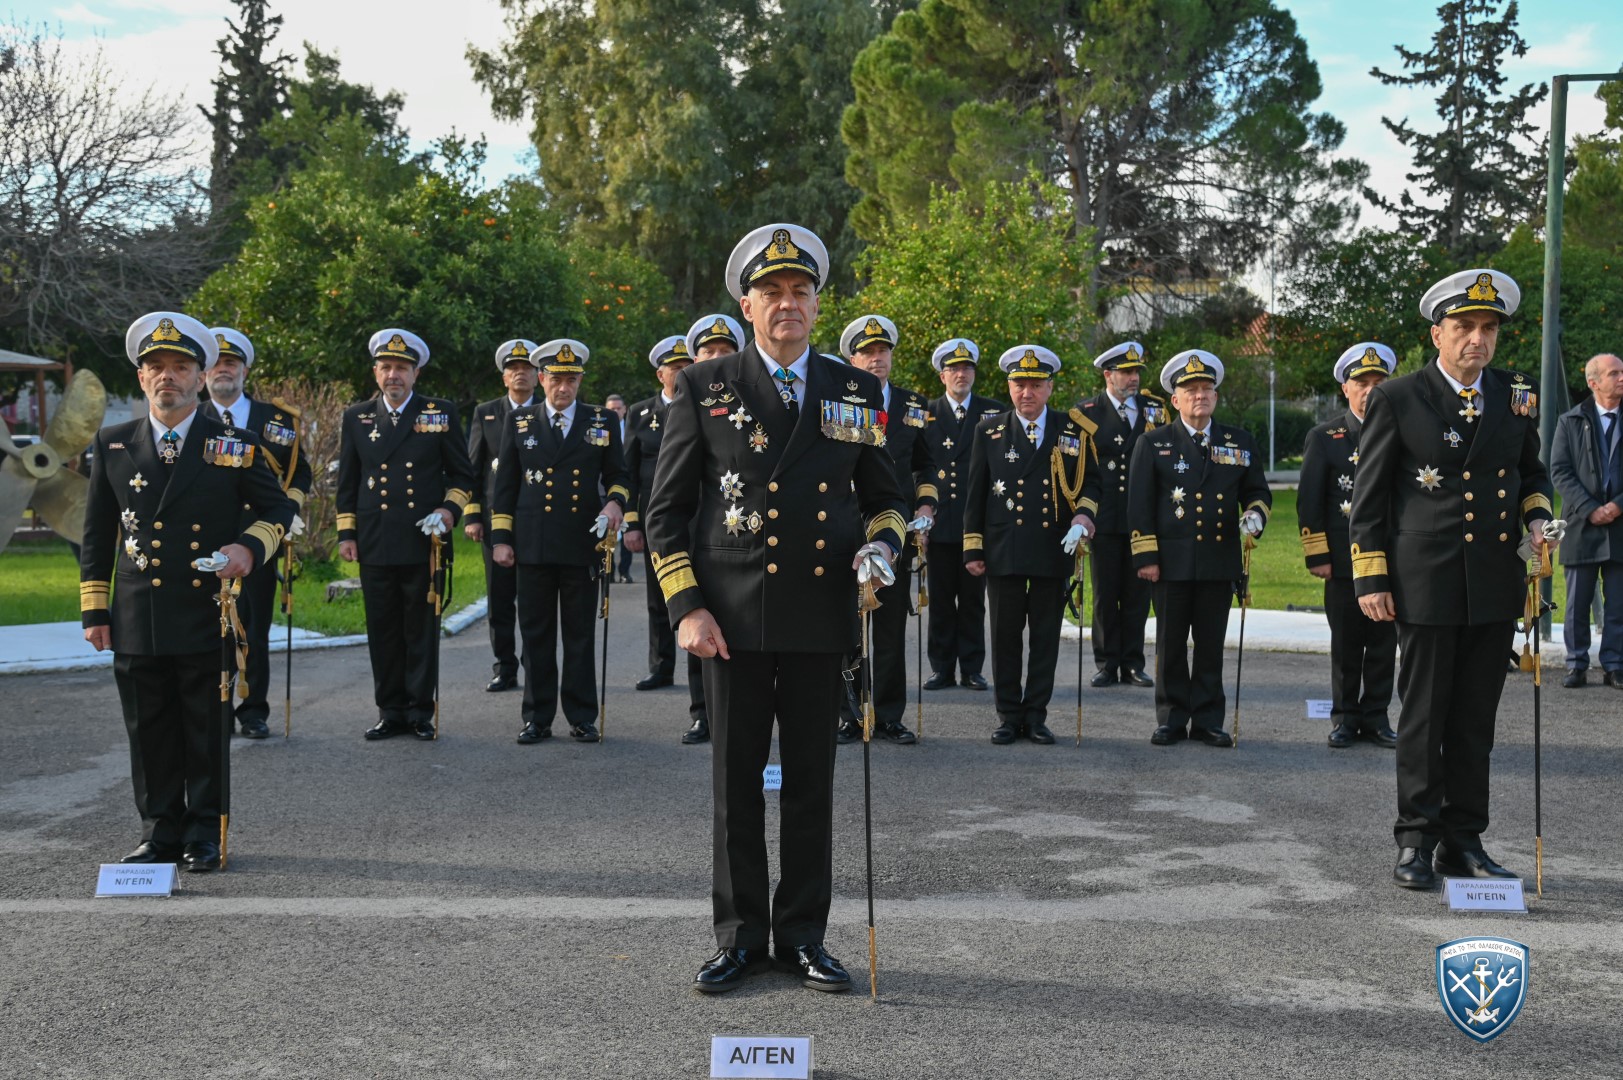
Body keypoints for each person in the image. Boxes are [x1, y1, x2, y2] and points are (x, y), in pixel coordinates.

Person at [644, 223, 906, 994]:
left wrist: (881, 548)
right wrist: (686, 605)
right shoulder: (706, 386)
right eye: (772, 293)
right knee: (734, 784)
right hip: (730, 620)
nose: (786, 305)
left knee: (809, 784)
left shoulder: (854, 389)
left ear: (817, 305)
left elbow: (885, 497)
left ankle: (800, 938)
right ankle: (736, 937)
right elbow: (666, 512)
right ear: (745, 303)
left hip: (821, 615)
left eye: (800, 292)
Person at [1349, 269, 1553, 889]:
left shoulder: (1515, 393)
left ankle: (1464, 840)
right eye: (1464, 327)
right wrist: (1371, 578)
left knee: (1473, 720)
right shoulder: (1399, 398)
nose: (1477, 340)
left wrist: (1539, 519)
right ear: (1437, 333)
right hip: (1426, 580)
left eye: (1488, 329)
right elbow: (1370, 497)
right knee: (1424, 716)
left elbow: (1530, 472)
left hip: (1495, 580)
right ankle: (1415, 839)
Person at [81, 312, 295, 870]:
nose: (167, 377)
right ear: (141, 378)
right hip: (137, 609)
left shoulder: (233, 443)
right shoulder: (112, 444)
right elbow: (98, 534)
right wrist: (94, 610)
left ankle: (203, 829)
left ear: (200, 379)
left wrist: (249, 548)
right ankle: (158, 833)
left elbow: (279, 508)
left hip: (206, 608)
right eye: (156, 367)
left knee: (204, 725)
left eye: (180, 367)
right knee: (148, 730)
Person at [336, 329, 476, 741]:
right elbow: (348, 481)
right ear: (376, 372)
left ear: (415, 373)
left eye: (401, 368)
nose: (393, 375)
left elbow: (462, 475)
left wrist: (447, 512)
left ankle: (419, 710)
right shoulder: (357, 416)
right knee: (382, 628)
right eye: (386, 367)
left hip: (422, 540)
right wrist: (347, 533)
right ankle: (390, 710)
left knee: (420, 628)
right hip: (375, 538)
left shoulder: (439, 412)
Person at [1128, 350, 1270, 749]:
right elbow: (1139, 504)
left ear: (1216, 397)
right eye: (1191, 390)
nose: (1200, 396)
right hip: (1170, 563)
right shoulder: (1153, 443)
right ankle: (1172, 718)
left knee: (1210, 644)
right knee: (1170, 644)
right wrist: (1146, 557)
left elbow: (1256, 490)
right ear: (1175, 400)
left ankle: (1208, 719)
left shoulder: (1238, 442)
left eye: (1207, 389)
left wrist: (1255, 516)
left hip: (1217, 560)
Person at [490, 339, 630, 743]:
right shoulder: (521, 423)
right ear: (541, 378)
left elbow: (620, 475)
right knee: (535, 635)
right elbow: (506, 487)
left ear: (580, 380)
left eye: (571, 379)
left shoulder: (601, 421)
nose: (563, 387)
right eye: (555, 378)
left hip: (580, 543)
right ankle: (537, 716)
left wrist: (615, 505)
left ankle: (582, 715)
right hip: (532, 546)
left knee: (579, 634)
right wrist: (502, 538)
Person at [962, 345, 1099, 744]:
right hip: (1004, 548)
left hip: (1052, 546)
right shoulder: (988, 431)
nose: (1027, 393)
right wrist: (973, 547)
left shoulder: (1073, 430)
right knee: (1005, 636)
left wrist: (1083, 517)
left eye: (1036, 385)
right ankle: (1008, 715)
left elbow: (1091, 484)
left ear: (1050, 387)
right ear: (1009, 386)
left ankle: (1036, 715)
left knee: (1044, 638)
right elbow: (977, 493)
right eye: (1020, 384)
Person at [202, 326, 313, 739]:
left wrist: (290, 514)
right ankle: (216, 707)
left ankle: (254, 711)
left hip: (261, 539)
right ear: (204, 371)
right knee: (212, 629)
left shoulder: (279, 421)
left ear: (245, 369)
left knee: (254, 627)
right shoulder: (194, 418)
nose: (223, 370)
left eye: (230, 363)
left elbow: (300, 472)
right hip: (208, 540)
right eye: (215, 363)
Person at [833, 315, 937, 744]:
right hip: (844, 528)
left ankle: (890, 715)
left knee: (891, 629)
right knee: (846, 629)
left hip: (893, 532)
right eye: (867, 353)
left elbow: (925, 464)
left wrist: (927, 503)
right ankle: (849, 713)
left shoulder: (913, 406)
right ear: (852, 359)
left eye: (882, 352)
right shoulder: (837, 399)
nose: (876, 360)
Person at [1298, 343, 1400, 749]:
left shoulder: (1401, 431)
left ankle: (1376, 717)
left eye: (1379, 382)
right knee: (1345, 645)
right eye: (1362, 382)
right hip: (1343, 562)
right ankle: (1344, 718)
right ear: (1345, 387)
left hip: (1391, 559)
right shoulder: (1325, 437)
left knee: (1382, 644)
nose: (1370, 390)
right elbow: (1309, 501)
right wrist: (1317, 554)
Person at [623, 335, 710, 743]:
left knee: (698, 606)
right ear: (661, 374)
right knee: (662, 602)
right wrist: (631, 522)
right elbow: (626, 472)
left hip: (705, 522)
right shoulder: (642, 414)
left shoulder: (711, 404)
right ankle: (660, 666)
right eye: (673, 369)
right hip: (660, 522)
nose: (680, 374)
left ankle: (704, 710)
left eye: (684, 367)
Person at [1076, 340, 1164, 689]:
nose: (1133, 378)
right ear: (1107, 375)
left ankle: (1133, 662)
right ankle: (1106, 662)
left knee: (1137, 595)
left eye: (1136, 372)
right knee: (1105, 593)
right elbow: (1079, 470)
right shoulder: (1086, 413)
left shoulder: (1155, 410)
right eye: (1126, 372)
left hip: (1142, 518)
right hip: (1105, 517)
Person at [919, 338, 1005, 691]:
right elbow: (918, 469)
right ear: (942, 376)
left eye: (967, 368)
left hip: (976, 524)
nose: (961, 374)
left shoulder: (994, 413)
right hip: (940, 522)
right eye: (954, 369)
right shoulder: (926, 414)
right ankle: (941, 667)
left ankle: (971, 667)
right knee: (940, 601)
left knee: (972, 601)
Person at [462, 339, 540, 693]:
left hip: (538, 520)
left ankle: (534, 664)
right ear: (504, 377)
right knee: (500, 598)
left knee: (534, 597)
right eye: (513, 369)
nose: (520, 374)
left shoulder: (548, 411)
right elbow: (472, 470)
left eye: (526, 369)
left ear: (538, 377)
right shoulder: (486, 412)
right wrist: (473, 516)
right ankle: (504, 666)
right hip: (496, 521)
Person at [1549, 352, 1623, 689]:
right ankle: (1576, 663)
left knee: (1619, 601)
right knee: (1577, 601)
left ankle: (1614, 664)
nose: (1621, 378)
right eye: (1614, 373)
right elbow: (1560, 471)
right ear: (1593, 383)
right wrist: (1591, 507)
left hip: (1621, 524)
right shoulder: (1570, 421)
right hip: (1581, 524)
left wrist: (1617, 506)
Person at [606, 393, 635, 583]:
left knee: (628, 529)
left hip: (629, 487)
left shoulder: (632, 428)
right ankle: (609, 570)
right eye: (611, 409)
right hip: (609, 490)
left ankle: (625, 571)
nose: (615, 412)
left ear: (624, 409)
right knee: (608, 532)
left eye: (618, 408)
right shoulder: (601, 428)